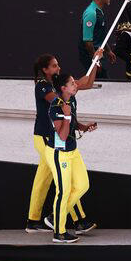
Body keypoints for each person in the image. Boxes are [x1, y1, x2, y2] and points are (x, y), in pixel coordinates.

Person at [26, 53, 102, 234]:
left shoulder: (61, 84)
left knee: (43, 181)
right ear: (45, 70)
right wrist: (71, 90)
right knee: (63, 182)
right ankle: (77, 220)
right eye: (54, 66)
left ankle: (33, 221)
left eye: (58, 65)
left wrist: (95, 62)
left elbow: (87, 83)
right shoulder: (43, 87)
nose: (58, 68)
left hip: (55, 137)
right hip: (45, 138)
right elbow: (58, 100)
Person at [45, 73, 99, 243]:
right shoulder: (55, 107)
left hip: (72, 150)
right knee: (64, 191)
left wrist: (84, 127)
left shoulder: (72, 100)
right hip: (59, 153)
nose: (76, 85)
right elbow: (61, 136)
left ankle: (55, 217)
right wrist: (66, 116)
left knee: (83, 184)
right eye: (72, 83)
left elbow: (73, 123)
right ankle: (59, 232)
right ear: (63, 88)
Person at [78, 0, 116, 78]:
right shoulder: (91, 13)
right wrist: (95, 61)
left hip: (97, 53)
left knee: (103, 81)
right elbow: (87, 41)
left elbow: (100, 35)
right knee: (100, 82)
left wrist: (109, 51)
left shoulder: (99, 11)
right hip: (90, 55)